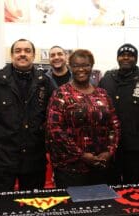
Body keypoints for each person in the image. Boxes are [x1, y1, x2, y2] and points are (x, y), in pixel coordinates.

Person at [0, 39, 55, 191]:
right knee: (0, 208)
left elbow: (51, 119)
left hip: (34, 159)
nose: (22, 54)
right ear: (11, 55)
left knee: (33, 207)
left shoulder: (45, 82)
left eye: (27, 51)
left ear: (34, 55)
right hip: (2, 160)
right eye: (18, 51)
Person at [46, 49, 120, 188]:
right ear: (70, 67)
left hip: (101, 165)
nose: (81, 69)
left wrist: (109, 151)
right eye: (76, 65)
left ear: (91, 66)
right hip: (70, 169)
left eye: (85, 65)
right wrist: (81, 155)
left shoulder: (103, 94)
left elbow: (114, 125)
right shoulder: (61, 94)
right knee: (75, 208)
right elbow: (54, 130)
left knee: (101, 206)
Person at [99, 43, 139, 184]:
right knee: (109, 186)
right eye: (122, 55)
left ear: (136, 59)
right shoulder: (107, 80)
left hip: (136, 149)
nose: (126, 58)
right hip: (109, 148)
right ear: (117, 58)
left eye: (130, 55)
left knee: (133, 188)